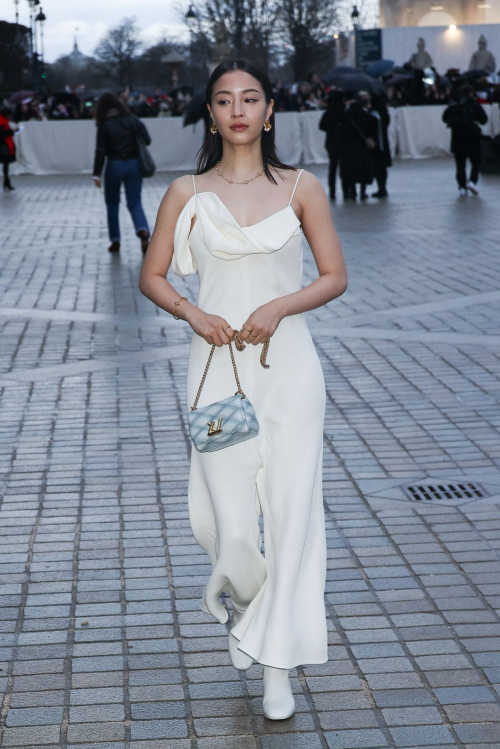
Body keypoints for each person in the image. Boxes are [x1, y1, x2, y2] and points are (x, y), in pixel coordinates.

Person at [138, 58, 347, 720]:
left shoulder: (301, 188)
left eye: (250, 98)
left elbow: (334, 275)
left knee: (291, 513)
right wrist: (193, 312)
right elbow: (153, 275)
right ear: (210, 113)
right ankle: (250, 609)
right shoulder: (186, 193)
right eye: (224, 99)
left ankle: (276, 663)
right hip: (212, 373)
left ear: (269, 110)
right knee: (228, 521)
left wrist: (280, 306)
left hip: (291, 373)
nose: (238, 109)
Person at [92, 92, 152, 254]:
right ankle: (143, 230)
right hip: (134, 164)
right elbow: (147, 140)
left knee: (112, 204)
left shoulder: (104, 124)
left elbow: (101, 151)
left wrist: (96, 173)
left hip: (114, 164)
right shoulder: (132, 119)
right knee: (134, 201)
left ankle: (115, 240)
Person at [442, 84, 488, 196]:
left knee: (460, 164)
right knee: (476, 161)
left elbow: (444, 118)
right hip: (472, 136)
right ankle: (472, 181)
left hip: (457, 137)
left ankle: (462, 187)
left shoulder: (453, 104)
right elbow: (484, 119)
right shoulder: (473, 104)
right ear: (471, 93)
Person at [338, 91, 377, 200]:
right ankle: (363, 192)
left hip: (349, 148)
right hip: (362, 146)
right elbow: (372, 125)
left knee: (351, 171)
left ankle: (353, 191)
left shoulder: (346, 116)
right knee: (363, 170)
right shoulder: (364, 115)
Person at [319, 89, 344, 200]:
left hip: (331, 142)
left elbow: (321, 126)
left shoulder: (328, 113)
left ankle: (332, 191)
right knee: (344, 167)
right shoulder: (343, 112)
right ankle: (346, 190)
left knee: (332, 168)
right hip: (343, 142)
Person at [370, 94, 392, 198]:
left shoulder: (374, 114)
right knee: (383, 168)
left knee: (378, 167)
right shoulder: (385, 114)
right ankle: (383, 188)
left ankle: (381, 188)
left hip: (377, 144)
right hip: (384, 143)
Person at [0, 107, 17, 191]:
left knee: (6, 165)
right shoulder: (2, 122)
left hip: (3, 145)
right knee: (5, 165)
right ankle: (6, 182)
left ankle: (6, 182)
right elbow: (2, 135)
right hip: (3, 146)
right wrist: (11, 132)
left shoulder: (3, 121)